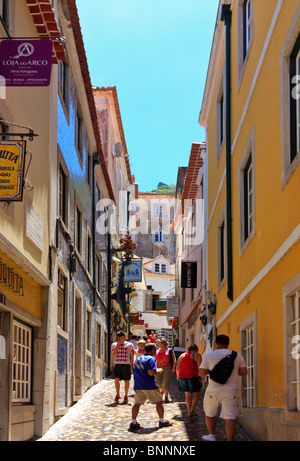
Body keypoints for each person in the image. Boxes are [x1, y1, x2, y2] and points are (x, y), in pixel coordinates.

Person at [199, 334, 247, 441]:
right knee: (230, 417)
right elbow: (244, 372)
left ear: (215, 343)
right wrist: (232, 372)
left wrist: (212, 372)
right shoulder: (237, 356)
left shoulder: (209, 356)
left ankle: (212, 435)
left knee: (210, 413)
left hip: (213, 390)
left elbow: (201, 373)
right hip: (231, 390)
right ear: (228, 343)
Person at [129, 343, 173, 431]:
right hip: (149, 385)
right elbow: (151, 372)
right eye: (155, 349)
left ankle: (133, 422)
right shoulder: (151, 359)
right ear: (152, 349)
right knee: (159, 402)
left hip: (138, 385)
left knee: (137, 404)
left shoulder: (138, 359)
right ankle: (162, 421)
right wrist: (159, 370)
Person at [176, 344, 202, 417]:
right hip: (193, 377)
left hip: (182, 377)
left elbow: (178, 367)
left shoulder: (182, 355)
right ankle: (192, 409)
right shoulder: (197, 355)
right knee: (197, 394)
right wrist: (200, 377)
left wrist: (178, 376)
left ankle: (188, 411)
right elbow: (199, 367)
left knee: (187, 395)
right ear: (196, 349)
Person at [111, 331, 134, 403]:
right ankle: (117, 394)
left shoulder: (129, 344)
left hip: (126, 364)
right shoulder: (114, 344)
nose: (121, 339)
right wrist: (118, 345)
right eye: (119, 337)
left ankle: (126, 395)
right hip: (118, 364)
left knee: (126, 380)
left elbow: (133, 354)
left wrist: (132, 364)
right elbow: (114, 354)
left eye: (122, 337)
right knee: (116, 379)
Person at [156, 338, 176, 402]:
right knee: (158, 382)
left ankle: (166, 396)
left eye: (159, 343)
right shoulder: (157, 351)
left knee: (165, 382)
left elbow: (174, 359)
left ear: (163, 343)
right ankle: (162, 391)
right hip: (159, 368)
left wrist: (173, 368)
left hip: (167, 367)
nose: (157, 344)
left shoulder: (169, 350)